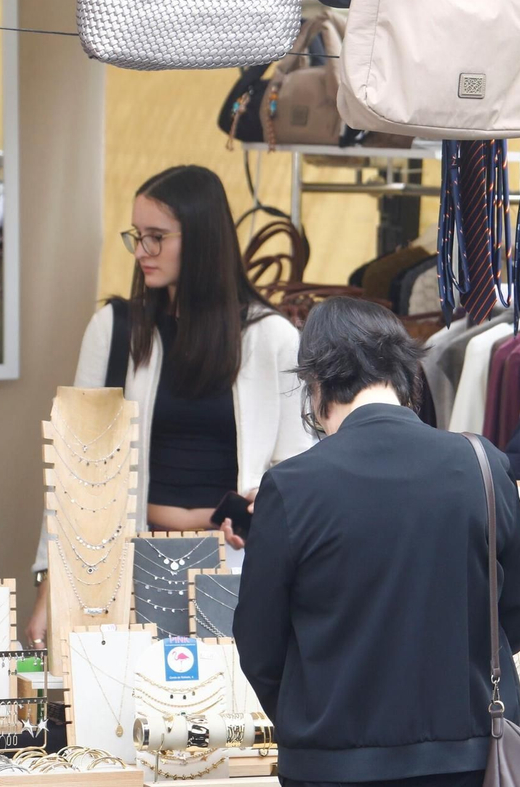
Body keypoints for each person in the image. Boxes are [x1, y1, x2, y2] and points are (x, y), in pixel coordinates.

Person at [235, 298, 520, 787]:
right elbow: (514, 620)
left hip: (332, 765)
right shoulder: (482, 464)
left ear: (315, 385)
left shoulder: (291, 486)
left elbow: (260, 645)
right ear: (405, 376)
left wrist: (313, 714)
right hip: (468, 758)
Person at [26, 165, 310, 647]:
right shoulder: (115, 329)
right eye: (137, 236)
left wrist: (259, 511)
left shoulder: (272, 339)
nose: (141, 251)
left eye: (156, 237)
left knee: (230, 716)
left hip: (236, 565)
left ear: (202, 240)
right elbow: (77, 474)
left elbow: (298, 473)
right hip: (121, 565)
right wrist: (50, 589)